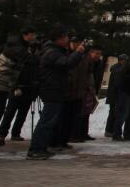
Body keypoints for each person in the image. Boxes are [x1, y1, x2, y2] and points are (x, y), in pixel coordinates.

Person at [27, 27, 84, 160]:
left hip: (54, 89)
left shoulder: (53, 50)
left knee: (49, 121)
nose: (67, 40)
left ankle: (41, 147)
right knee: (47, 121)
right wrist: (78, 53)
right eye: (65, 37)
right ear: (59, 39)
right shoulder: (52, 52)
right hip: (52, 90)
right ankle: (36, 149)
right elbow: (66, 63)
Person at [0, 27, 38, 145]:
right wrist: (15, 86)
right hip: (4, 82)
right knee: (6, 111)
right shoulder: (18, 48)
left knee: (7, 111)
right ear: (25, 35)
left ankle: (13, 133)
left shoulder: (21, 46)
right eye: (31, 35)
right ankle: (1, 135)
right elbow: (29, 61)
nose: (33, 38)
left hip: (9, 83)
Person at [0, 35, 27, 145]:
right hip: (2, 86)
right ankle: (1, 135)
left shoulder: (5, 52)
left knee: (1, 111)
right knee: (1, 111)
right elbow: (13, 73)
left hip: (4, 87)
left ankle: (1, 136)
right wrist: (15, 86)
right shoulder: (12, 57)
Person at [104, 55, 127, 137]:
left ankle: (110, 130)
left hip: (114, 94)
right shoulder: (117, 69)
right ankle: (109, 130)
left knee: (113, 113)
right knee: (113, 113)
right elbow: (117, 83)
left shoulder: (116, 68)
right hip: (114, 95)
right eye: (124, 60)